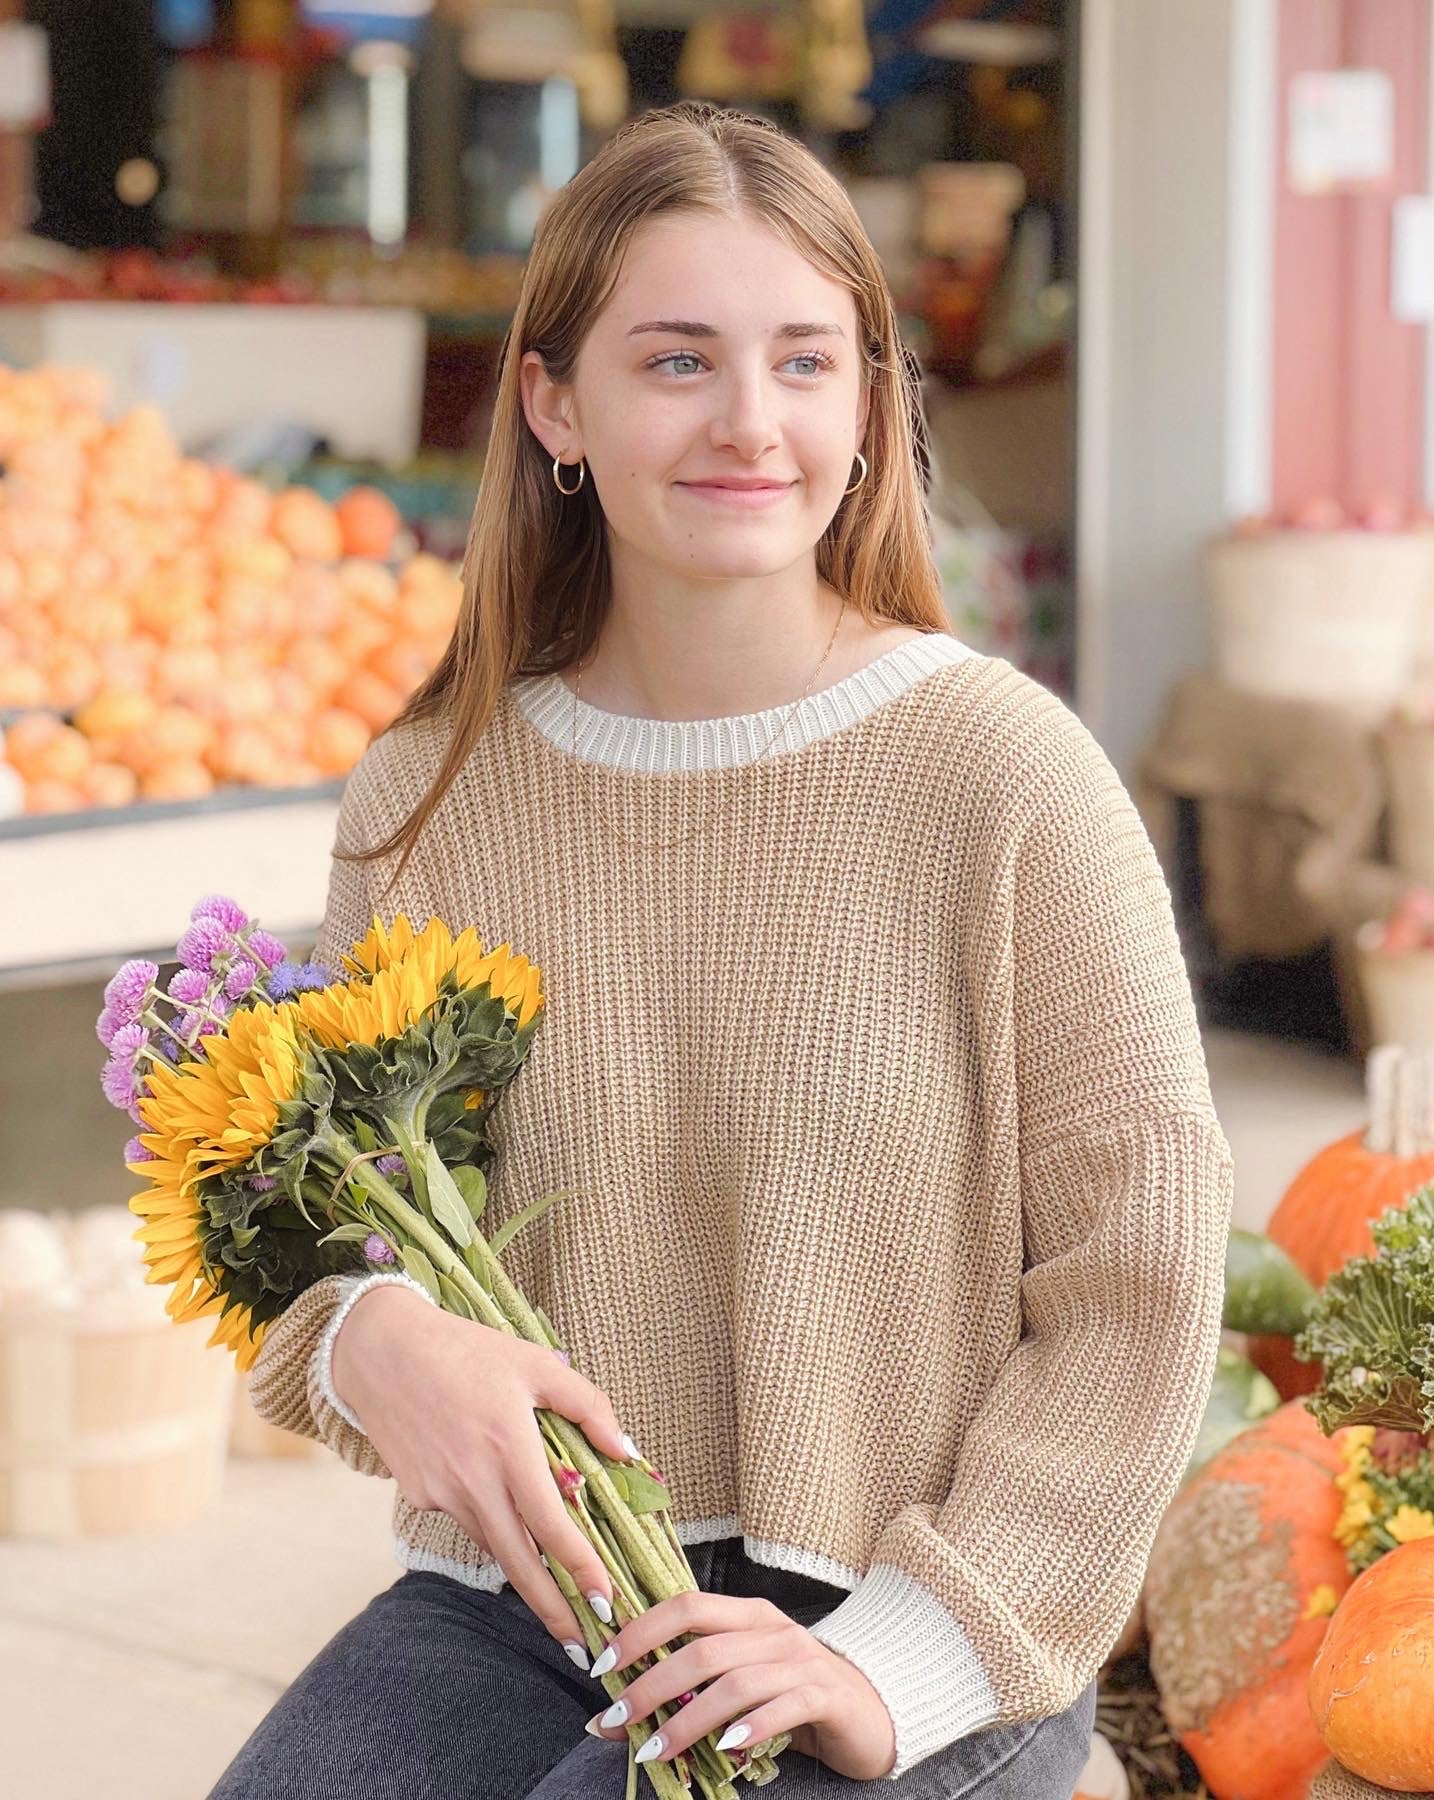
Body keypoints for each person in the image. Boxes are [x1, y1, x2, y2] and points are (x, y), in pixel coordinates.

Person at [210, 98, 1234, 1800]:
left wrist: (902, 1655)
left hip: (914, 1616)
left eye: (807, 362)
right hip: (525, 1609)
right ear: (555, 404)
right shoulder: (434, 792)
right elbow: (299, 1214)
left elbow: (1140, 1289)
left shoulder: (1002, 779)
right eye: (677, 361)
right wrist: (357, 1343)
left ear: (869, 404)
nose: (752, 423)